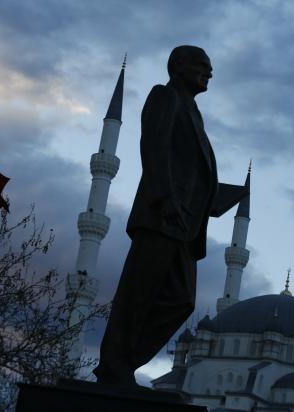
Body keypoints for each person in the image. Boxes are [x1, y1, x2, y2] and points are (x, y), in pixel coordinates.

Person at [94, 45, 237, 386]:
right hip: (163, 215)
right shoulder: (165, 96)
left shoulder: (194, 112)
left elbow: (190, 168)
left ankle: (126, 360)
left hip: (186, 224)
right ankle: (114, 366)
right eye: (202, 65)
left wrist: (214, 198)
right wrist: (164, 196)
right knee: (139, 292)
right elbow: (154, 148)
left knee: (181, 300)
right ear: (179, 66)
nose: (209, 72)